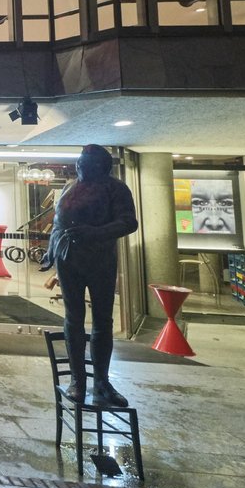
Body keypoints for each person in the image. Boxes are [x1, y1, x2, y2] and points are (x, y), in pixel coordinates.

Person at [40, 144, 138, 407]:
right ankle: (77, 380)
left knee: (102, 320)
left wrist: (93, 233)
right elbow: (59, 222)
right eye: (79, 161)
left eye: (86, 162)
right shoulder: (70, 187)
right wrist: (50, 252)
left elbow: (129, 222)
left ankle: (102, 381)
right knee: (73, 318)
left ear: (101, 166)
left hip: (99, 260)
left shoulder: (115, 188)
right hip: (68, 259)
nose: (80, 166)